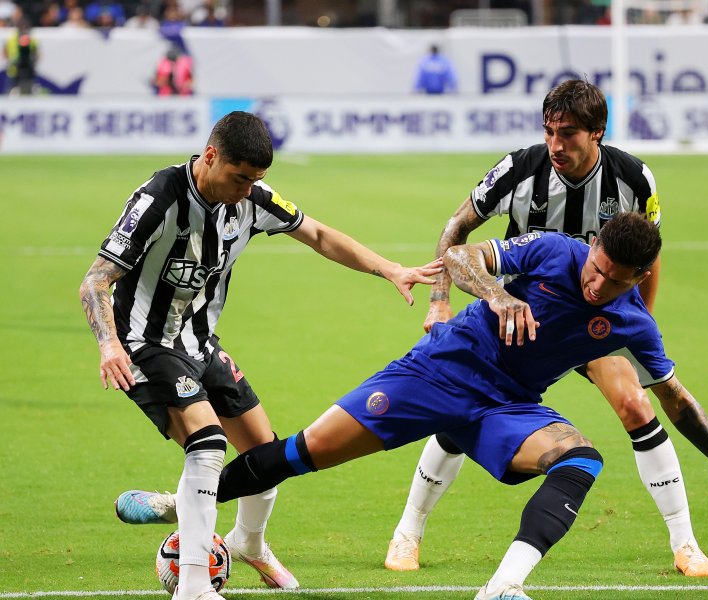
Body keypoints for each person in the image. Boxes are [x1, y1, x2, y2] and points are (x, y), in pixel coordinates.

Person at [123, 213, 708, 600]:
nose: (597, 283)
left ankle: (502, 589)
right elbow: (457, 257)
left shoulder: (631, 321)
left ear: (638, 280)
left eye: (614, 280)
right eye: (596, 267)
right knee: (303, 453)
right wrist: (501, 294)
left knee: (580, 460)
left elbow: (676, 399)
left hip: (505, 407)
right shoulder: (551, 250)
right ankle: (179, 501)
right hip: (438, 369)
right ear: (593, 246)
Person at [79, 111, 442, 600]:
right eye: (240, 178)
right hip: (145, 345)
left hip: (202, 344)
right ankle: (193, 587)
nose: (248, 190)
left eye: (256, 180)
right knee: (207, 445)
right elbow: (96, 280)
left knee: (266, 456)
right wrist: (108, 343)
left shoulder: (250, 201)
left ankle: (247, 541)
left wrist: (389, 269)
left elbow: (317, 234)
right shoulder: (158, 199)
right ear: (210, 157)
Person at [384, 78, 708, 578]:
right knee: (464, 409)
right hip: (518, 315)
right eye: (549, 133)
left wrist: (637, 320)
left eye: (568, 135)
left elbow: (647, 251)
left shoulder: (634, 178)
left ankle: (685, 544)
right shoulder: (519, 168)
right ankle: (408, 532)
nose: (556, 145)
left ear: (597, 133)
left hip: (596, 315)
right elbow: (457, 229)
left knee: (635, 403)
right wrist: (440, 299)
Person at [3, 18, 39, 96]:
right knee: (12, 89)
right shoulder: (12, 39)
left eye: (26, 28)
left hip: (28, 68)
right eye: (22, 27)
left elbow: (37, 53)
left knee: (29, 89)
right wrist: (11, 60)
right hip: (14, 69)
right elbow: (5, 52)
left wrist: (33, 60)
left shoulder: (31, 40)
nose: (24, 30)